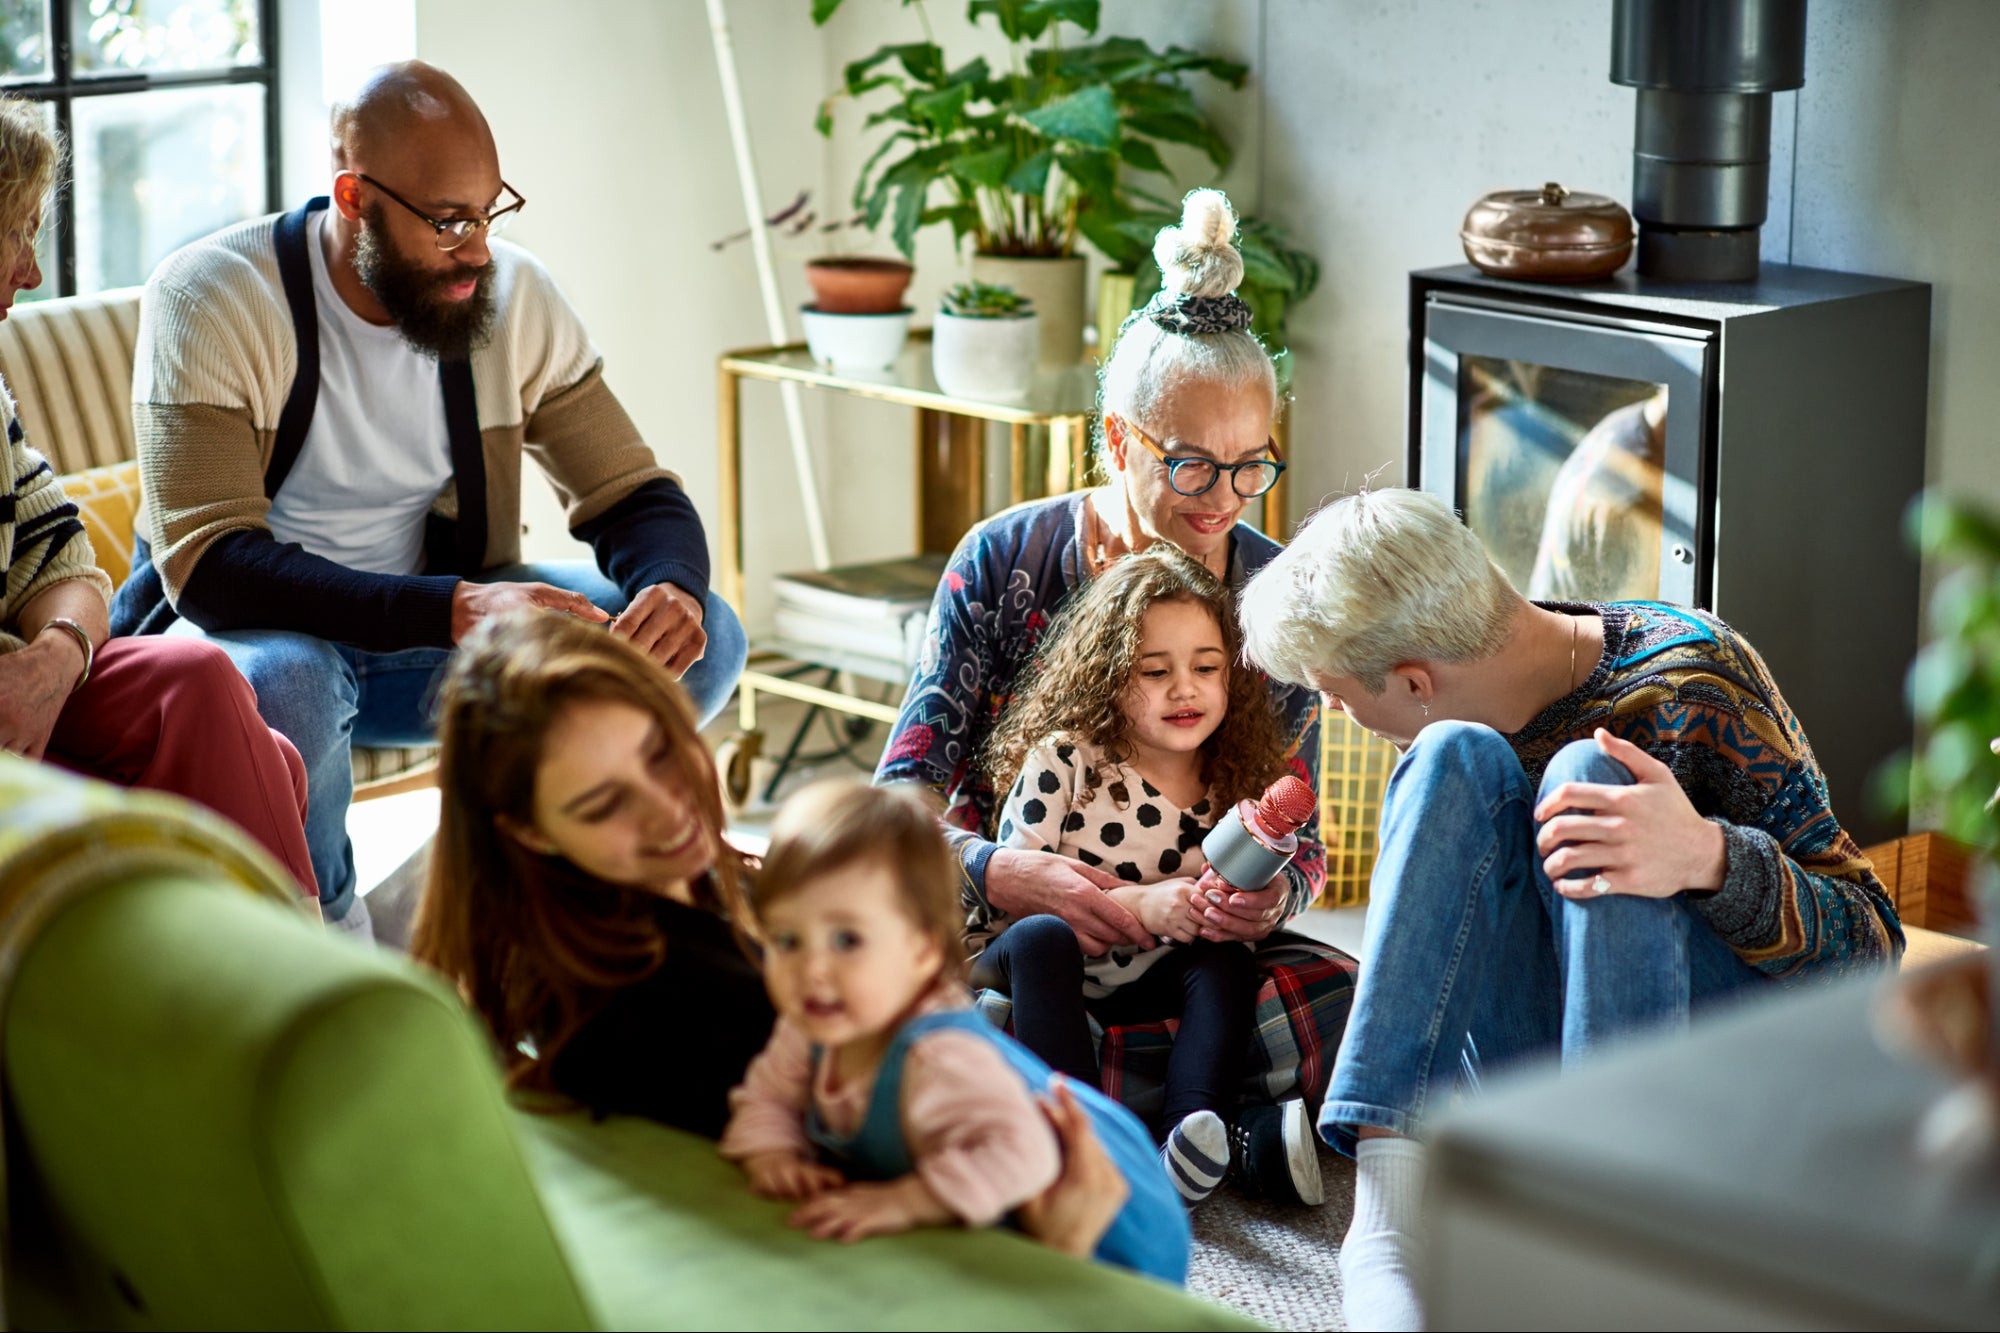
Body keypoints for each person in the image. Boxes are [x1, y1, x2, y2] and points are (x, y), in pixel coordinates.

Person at [1236, 485, 1904, 1331]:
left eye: (1334, 695)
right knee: (1448, 755)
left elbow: (1875, 951)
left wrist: (1707, 857)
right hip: (1534, 1091)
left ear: (1414, 679)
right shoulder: (1452, 729)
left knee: (1590, 777)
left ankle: (1610, 1235)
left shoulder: (1695, 677)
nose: (1337, 714)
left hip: (1703, 1101)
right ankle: (1387, 1224)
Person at [110, 61, 746, 937]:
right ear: (354, 198)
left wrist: (669, 585)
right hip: (245, 642)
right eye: (449, 222)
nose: (477, 249)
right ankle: (335, 947)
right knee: (293, 679)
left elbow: (632, 492)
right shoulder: (213, 295)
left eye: (489, 213)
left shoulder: (511, 295)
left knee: (709, 640)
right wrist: (452, 608)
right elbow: (212, 568)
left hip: (425, 637)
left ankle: (477, 893)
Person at [409, 612, 1129, 1259]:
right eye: (604, 804)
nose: (667, 809)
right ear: (530, 831)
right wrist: (1063, 1252)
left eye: (660, 751)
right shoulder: (666, 1005)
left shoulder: (667, 909)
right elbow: (903, 1197)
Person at [876, 188, 1354, 1125]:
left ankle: (1066, 1084)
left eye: (1251, 465)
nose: (1225, 499)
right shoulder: (1002, 560)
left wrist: (1268, 900)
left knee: (1345, 995)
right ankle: (1196, 1114)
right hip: (1013, 930)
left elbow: (1294, 829)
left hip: (1179, 950)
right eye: (1191, 464)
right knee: (891, 967)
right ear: (1117, 439)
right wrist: (997, 869)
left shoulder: (1272, 599)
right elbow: (899, 800)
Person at [0, 95, 316, 898]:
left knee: (198, 675)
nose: (31, 272)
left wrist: (52, 659)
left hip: (30, 681)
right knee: (266, 762)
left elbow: (64, 557)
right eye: (16, 233)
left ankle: (286, 955)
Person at [719, 778, 1189, 1283]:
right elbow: (769, 1096)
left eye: (847, 940)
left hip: (1114, 1223)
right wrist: (773, 1152)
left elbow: (1023, 1152)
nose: (812, 970)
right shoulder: (811, 1024)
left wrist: (906, 1201)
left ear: (921, 952)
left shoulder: (938, 1057)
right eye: (788, 939)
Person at [980, 546, 1319, 1206]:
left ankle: (1189, 1136)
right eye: (1155, 671)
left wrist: (1242, 908)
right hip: (1046, 973)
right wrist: (1139, 905)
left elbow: (1290, 872)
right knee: (1042, 938)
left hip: (1148, 980)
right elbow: (1015, 895)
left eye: (1207, 668)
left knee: (1228, 960)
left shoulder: (1235, 776)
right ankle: (1083, 1145)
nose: (1185, 688)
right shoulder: (1065, 760)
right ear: (1108, 674)